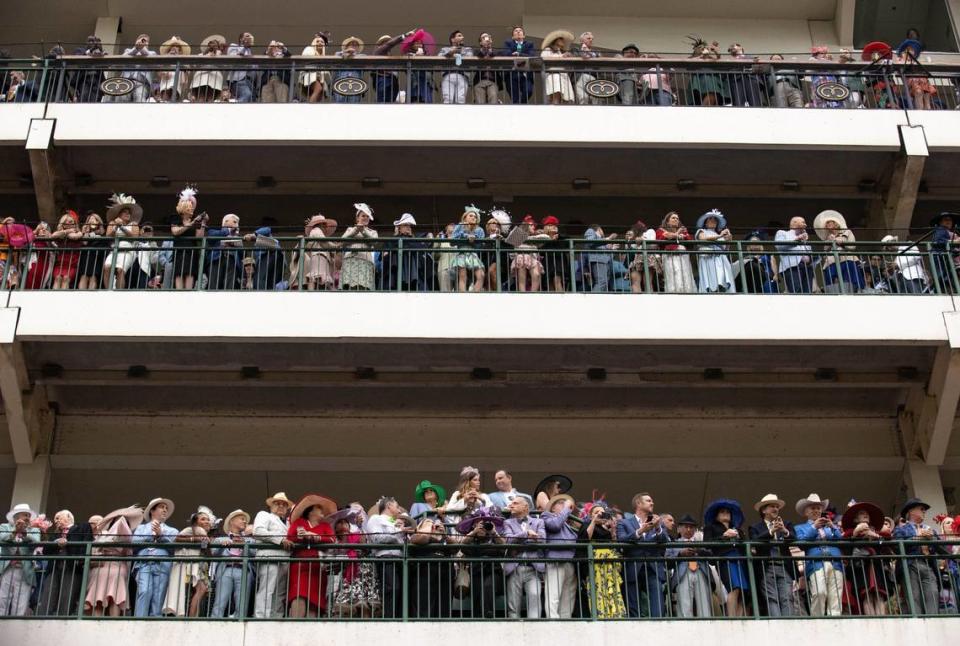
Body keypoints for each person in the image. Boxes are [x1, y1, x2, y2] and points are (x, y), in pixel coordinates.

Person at [617, 492, 670, 617]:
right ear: (638, 503)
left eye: (652, 501)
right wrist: (640, 531)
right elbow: (621, 541)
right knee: (633, 606)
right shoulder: (624, 523)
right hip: (633, 567)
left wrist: (657, 528)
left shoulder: (658, 522)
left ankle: (658, 626)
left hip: (653, 567)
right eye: (648, 500)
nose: (652, 503)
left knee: (658, 606)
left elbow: (665, 541)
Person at [287, 494, 337, 618]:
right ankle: (295, 626)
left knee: (315, 600)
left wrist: (315, 536)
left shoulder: (325, 526)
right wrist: (301, 537)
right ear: (311, 511)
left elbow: (332, 540)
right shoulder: (300, 522)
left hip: (317, 567)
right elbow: (289, 538)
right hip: (300, 565)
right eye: (319, 508)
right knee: (299, 593)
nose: (322, 511)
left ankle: (310, 633)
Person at [85, 506, 142, 616]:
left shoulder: (103, 535)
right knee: (115, 596)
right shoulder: (128, 537)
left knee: (98, 596)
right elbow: (129, 553)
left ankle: (97, 624)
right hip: (117, 567)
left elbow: (96, 548)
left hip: (104, 567)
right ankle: (113, 621)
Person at [893, 497, 946, 615]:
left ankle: (933, 622)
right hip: (911, 565)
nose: (924, 511)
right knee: (914, 597)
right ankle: (917, 623)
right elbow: (896, 547)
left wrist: (932, 539)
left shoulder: (929, 529)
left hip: (928, 565)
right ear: (911, 511)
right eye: (921, 509)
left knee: (933, 594)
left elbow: (943, 549)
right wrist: (918, 538)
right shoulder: (901, 529)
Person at [793, 493, 843, 616]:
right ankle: (817, 620)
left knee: (835, 595)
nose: (816, 510)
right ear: (806, 512)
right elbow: (801, 543)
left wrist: (833, 527)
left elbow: (842, 542)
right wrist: (814, 527)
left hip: (835, 562)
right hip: (816, 563)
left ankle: (835, 622)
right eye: (812, 508)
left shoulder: (830, 526)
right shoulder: (800, 527)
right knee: (819, 592)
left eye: (818, 508)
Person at [37, 509, 94, 616]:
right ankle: (42, 618)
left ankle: (63, 620)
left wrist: (67, 543)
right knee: (48, 595)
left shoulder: (82, 527)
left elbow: (86, 544)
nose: (56, 521)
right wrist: (56, 542)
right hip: (54, 566)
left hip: (72, 566)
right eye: (55, 520)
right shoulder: (55, 534)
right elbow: (45, 551)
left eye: (58, 518)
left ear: (68, 517)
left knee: (67, 596)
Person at [748, 493, 796, 616]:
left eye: (777, 506)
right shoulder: (755, 527)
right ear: (764, 510)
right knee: (771, 598)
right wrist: (771, 531)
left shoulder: (786, 524)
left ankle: (788, 625)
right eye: (772, 506)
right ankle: (777, 624)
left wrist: (784, 531)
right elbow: (755, 542)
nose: (776, 509)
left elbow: (794, 539)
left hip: (784, 566)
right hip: (766, 567)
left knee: (788, 597)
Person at [364, 496, 411, 618]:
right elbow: (376, 539)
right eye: (397, 506)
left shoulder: (398, 522)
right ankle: (390, 618)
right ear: (389, 505)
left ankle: (401, 619)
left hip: (402, 560)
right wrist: (397, 533)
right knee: (392, 589)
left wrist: (405, 534)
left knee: (402, 591)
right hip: (386, 558)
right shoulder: (376, 519)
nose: (399, 509)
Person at [132, 497, 179, 617]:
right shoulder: (141, 528)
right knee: (144, 591)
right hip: (144, 564)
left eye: (166, 508)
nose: (165, 510)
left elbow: (175, 547)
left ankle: (155, 622)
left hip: (162, 565)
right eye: (161, 507)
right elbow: (134, 543)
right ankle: (139, 620)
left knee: (158, 597)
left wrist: (161, 536)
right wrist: (151, 536)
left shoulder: (172, 530)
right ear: (152, 511)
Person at [841, 500, 890, 615]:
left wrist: (877, 537)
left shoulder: (879, 533)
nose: (865, 515)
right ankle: (873, 622)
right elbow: (845, 548)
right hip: (861, 566)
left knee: (880, 596)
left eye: (867, 514)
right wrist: (855, 535)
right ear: (855, 519)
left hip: (878, 566)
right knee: (867, 596)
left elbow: (886, 546)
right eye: (861, 513)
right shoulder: (850, 533)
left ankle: (882, 622)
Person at [457, 507, 507, 618]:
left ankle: (488, 616)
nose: (483, 527)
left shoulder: (494, 538)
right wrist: (473, 533)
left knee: (488, 587)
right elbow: (461, 545)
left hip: (494, 571)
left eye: (485, 525)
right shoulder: (471, 540)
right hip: (475, 571)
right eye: (479, 525)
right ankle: (477, 618)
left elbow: (504, 547)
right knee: (477, 593)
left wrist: (494, 533)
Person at [580, 498, 626, 618]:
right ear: (590, 515)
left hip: (609, 561)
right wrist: (594, 521)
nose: (600, 514)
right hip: (595, 561)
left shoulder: (606, 527)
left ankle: (614, 613)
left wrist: (613, 529)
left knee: (611, 586)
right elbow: (585, 539)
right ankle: (600, 613)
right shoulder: (586, 524)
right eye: (596, 512)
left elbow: (614, 544)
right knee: (598, 587)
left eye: (602, 512)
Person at [702, 498, 749, 616]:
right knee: (734, 588)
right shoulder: (711, 527)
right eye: (722, 512)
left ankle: (740, 620)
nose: (726, 514)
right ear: (716, 516)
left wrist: (738, 537)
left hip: (741, 560)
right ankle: (731, 618)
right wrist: (724, 536)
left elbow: (746, 544)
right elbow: (707, 543)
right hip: (725, 559)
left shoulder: (738, 529)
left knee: (743, 592)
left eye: (728, 512)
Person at [163, 509, 212, 617]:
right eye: (203, 519)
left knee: (196, 591)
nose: (207, 521)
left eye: (208, 520)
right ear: (196, 521)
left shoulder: (203, 533)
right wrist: (194, 539)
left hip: (198, 565)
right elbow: (177, 540)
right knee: (201, 589)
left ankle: (191, 616)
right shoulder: (191, 529)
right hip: (189, 565)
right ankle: (191, 617)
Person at [252, 491, 295, 618]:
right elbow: (258, 531)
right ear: (271, 506)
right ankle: (261, 617)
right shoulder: (264, 515)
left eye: (284, 504)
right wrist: (280, 540)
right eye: (277, 503)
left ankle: (277, 617)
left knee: (280, 592)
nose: (281, 506)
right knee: (267, 589)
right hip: (270, 557)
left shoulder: (289, 523)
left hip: (285, 559)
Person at [501, 497, 545, 618]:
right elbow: (509, 541)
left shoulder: (538, 522)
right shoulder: (507, 522)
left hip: (533, 569)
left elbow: (542, 540)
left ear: (525, 507)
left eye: (515, 503)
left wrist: (519, 541)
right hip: (515, 568)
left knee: (535, 597)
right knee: (513, 605)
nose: (511, 505)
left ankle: (535, 628)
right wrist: (527, 534)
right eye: (511, 503)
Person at [541, 493, 579, 618]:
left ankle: (566, 621)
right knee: (553, 594)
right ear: (552, 508)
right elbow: (555, 525)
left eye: (566, 504)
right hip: (556, 560)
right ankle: (553, 621)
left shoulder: (568, 523)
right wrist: (566, 510)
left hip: (570, 561)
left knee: (568, 597)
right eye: (561, 503)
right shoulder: (546, 516)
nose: (565, 506)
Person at [210, 509, 255, 618]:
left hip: (244, 570)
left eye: (245, 520)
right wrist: (222, 546)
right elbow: (213, 553)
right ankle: (214, 622)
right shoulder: (221, 539)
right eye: (242, 519)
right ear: (232, 521)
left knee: (242, 603)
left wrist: (245, 545)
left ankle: (239, 624)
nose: (245, 522)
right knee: (220, 601)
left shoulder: (250, 540)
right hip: (226, 569)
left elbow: (255, 554)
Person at [407, 512, 451, 618]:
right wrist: (427, 527)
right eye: (430, 523)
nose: (434, 525)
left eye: (436, 524)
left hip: (443, 574)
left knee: (442, 607)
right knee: (424, 605)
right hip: (423, 573)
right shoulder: (415, 536)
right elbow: (422, 538)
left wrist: (444, 534)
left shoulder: (444, 539)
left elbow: (455, 548)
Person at [666, 514, 712, 617]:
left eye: (691, 527)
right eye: (685, 527)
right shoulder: (673, 544)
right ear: (678, 529)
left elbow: (711, 553)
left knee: (704, 604)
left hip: (701, 571)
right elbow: (667, 562)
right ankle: (685, 627)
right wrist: (680, 554)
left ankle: (706, 626)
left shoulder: (700, 543)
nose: (688, 529)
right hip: (683, 573)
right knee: (684, 605)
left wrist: (698, 551)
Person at [0, 503, 41, 616]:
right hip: (6, 568)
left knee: (21, 602)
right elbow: (1, 539)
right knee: (2, 599)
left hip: (25, 570)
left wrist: (24, 533)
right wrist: (14, 532)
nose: (28, 518)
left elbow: (36, 542)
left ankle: (16, 624)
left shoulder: (34, 530)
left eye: (28, 515)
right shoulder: (4, 527)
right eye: (25, 515)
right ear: (17, 516)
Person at [814, 209, 864, 294]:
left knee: (850, 283)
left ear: (836, 223)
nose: (827, 224)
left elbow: (852, 246)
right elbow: (824, 254)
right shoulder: (827, 239)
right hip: (831, 263)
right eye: (826, 223)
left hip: (847, 260)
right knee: (832, 284)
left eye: (830, 222)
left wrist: (842, 243)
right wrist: (829, 243)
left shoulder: (847, 232)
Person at [169, 186, 207, 290]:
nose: (191, 207)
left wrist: (203, 222)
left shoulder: (195, 220)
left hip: (191, 250)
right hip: (180, 250)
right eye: (189, 204)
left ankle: (188, 293)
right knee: (179, 273)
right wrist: (191, 224)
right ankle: (179, 292)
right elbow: (175, 231)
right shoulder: (176, 217)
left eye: (192, 205)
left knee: (190, 273)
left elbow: (199, 237)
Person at [102, 34, 155, 103]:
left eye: (146, 41)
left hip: (142, 83)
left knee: (139, 98)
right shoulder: (128, 51)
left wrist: (142, 49)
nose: (144, 42)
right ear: (136, 41)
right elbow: (122, 59)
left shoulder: (151, 53)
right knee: (122, 99)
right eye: (142, 40)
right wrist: (136, 49)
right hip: (126, 82)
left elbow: (152, 59)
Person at [695, 209, 736, 293]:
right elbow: (703, 239)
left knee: (722, 279)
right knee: (712, 279)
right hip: (709, 259)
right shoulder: (702, 231)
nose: (713, 221)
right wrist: (720, 236)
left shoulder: (719, 235)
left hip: (721, 260)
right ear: (705, 223)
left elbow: (726, 250)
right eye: (710, 219)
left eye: (715, 220)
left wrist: (728, 240)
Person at [340, 203, 378, 290]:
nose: (365, 218)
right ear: (357, 218)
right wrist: (356, 230)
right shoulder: (350, 229)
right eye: (363, 216)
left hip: (365, 261)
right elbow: (342, 241)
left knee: (363, 287)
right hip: (350, 260)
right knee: (349, 287)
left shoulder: (373, 232)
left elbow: (375, 242)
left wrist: (364, 231)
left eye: (367, 216)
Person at [656, 211, 695, 293]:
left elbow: (690, 241)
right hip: (670, 256)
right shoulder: (660, 230)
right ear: (667, 221)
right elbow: (662, 238)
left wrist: (681, 235)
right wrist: (677, 234)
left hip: (683, 256)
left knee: (685, 275)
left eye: (677, 218)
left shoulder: (683, 230)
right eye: (673, 218)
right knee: (673, 275)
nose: (676, 219)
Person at [775, 216, 815, 293]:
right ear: (794, 223)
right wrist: (797, 240)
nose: (805, 225)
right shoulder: (782, 233)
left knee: (807, 293)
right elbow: (779, 246)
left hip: (807, 268)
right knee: (796, 291)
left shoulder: (804, 237)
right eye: (803, 222)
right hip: (792, 267)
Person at [451, 206, 487, 292]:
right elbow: (452, 241)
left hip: (473, 253)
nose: (473, 218)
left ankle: (473, 296)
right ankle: (464, 298)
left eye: (475, 217)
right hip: (462, 252)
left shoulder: (479, 230)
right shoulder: (460, 226)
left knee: (481, 275)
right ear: (465, 217)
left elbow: (481, 245)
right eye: (470, 216)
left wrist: (475, 239)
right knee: (463, 276)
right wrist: (465, 236)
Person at [50, 211, 84, 289]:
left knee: (66, 279)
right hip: (60, 264)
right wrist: (67, 231)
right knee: (57, 278)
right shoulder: (60, 233)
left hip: (72, 264)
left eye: (71, 222)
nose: (69, 224)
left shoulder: (78, 232)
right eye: (67, 222)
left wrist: (66, 233)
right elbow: (53, 235)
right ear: (63, 224)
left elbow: (74, 237)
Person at [439, 30, 474, 104]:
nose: (462, 37)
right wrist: (450, 52)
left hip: (462, 76)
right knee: (448, 99)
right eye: (459, 36)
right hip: (448, 75)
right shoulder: (445, 49)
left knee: (461, 99)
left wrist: (458, 51)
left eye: (462, 36)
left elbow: (470, 57)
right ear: (452, 39)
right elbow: (439, 57)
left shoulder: (468, 49)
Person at [541, 30, 575, 105]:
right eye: (561, 39)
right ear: (555, 40)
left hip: (563, 76)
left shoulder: (561, 52)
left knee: (565, 98)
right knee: (556, 94)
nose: (563, 41)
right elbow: (543, 58)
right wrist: (562, 56)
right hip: (554, 75)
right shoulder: (548, 50)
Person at [502, 26, 534, 104]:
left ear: (524, 35)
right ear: (513, 36)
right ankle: (517, 107)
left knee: (528, 91)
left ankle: (522, 104)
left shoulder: (529, 44)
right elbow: (506, 54)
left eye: (520, 31)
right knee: (514, 97)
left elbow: (532, 55)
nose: (518, 32)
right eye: (516, 31)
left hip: (525, 74)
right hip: (512, 74)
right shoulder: (508, 43)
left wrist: (519, 54)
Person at [930, 212, 960, 294]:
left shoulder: (947, 231)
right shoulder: (941, 230)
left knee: (945, 278)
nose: (949, 222)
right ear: (940, 222)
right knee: (941, 277)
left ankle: (933, 290)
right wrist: (953, 242)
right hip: (940, 257)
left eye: (950, 220)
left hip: (945, 259)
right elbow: (938, 241)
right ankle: (931, 290)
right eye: (946, 220)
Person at [191, 35, 226, 102]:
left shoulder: (219, 53)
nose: (213, 46)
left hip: (214, 77)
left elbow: (222, 64)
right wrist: (206, 54)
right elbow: (195, 64)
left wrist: (216, 53)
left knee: (211, 95)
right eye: (211, 44)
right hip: (202, 77)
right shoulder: (201, 54)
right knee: (201, 95)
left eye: (215, 45)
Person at [583, 224, 617, 292]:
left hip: (605, 262)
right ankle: (593, 299)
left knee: (604, 283)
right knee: (601, 281)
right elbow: (590, 242)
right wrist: (608, 239)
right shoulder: (590, 231)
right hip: (598, 260)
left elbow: (607, 254)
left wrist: (612, 249)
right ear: (599, 229)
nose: (603, 232)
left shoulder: (602, 241)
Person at [157, 36, 191, 102]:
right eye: (173, 46)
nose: (174, 48)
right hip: (165, 87)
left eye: (177, 47)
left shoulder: (184, 63)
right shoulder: (164, 61)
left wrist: (181, 60)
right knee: (165, 101)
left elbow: (184, 81)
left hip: (176, 88)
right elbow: (161, 74)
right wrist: (169, 59)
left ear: (180, 51)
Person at [226, 32, 256, 103]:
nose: (249, 38)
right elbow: (232, 58)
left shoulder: (249, 51)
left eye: (250, 36)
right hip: (238, 79)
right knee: (246, 94)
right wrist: (244, 47)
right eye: (247, 36)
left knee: (252, 99)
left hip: (249, 81)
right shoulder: (233, 46)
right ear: (241, 39)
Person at [300, 34, 331, 103]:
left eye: (322, 42)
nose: (319, 43)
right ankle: (310, 108)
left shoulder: (323, 56)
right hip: (310, 74)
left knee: (320, 94)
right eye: (317, 41)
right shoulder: (309, 49)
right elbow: (306, 60)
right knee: (318, 89)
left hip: (320, 77)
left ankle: (314, 108)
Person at [334, 37, 365, 104]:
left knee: (354, 103)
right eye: (350, 44)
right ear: (346, 46)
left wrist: (353, 55)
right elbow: (336, 55)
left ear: (358, 48)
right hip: (340, 82)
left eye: (355, 45)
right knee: (340, 103)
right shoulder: (339, 54)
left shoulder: (361, 56)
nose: (353, 46)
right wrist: (346, 53)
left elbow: (365, 59)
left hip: (356, 84)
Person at [572, 32, 600, 105]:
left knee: (595, 98)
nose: (591, 40)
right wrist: (583, 51)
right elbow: (575, 57)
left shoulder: (596, 52)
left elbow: (599, 61)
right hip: (580, 76)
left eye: (592, 39)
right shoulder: (576, 50)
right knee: (583, 98)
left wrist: (588, 53)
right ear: (582, 41)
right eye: (588, 38)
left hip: (593, 77)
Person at [474, 33, 500, 104]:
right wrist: (484, 48)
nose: (486, 39)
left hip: (493, 81)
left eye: (488, 38)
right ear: (480, 42)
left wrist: (490, 49)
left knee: (493, 99)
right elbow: (479, 55)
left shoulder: (496, 52)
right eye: (484, 38)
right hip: (480, 81)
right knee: (480, 102)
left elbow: (496, 59)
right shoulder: (476, 51)